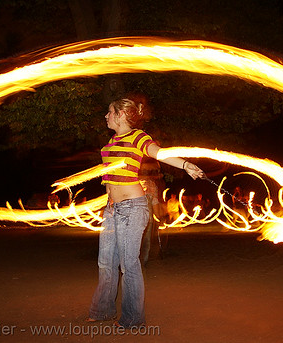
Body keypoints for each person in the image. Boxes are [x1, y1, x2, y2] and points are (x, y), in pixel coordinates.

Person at [87, 94, 205, 328]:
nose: (106, 116)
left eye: (110, 112)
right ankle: (102, 311)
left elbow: (158, 152)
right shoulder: (111, 142)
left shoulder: (138, 137)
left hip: (132, 208)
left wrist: (186, 164)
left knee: (128, 264)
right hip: (111, 209)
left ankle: (132, 318)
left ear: (121, 115)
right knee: (105, 262)